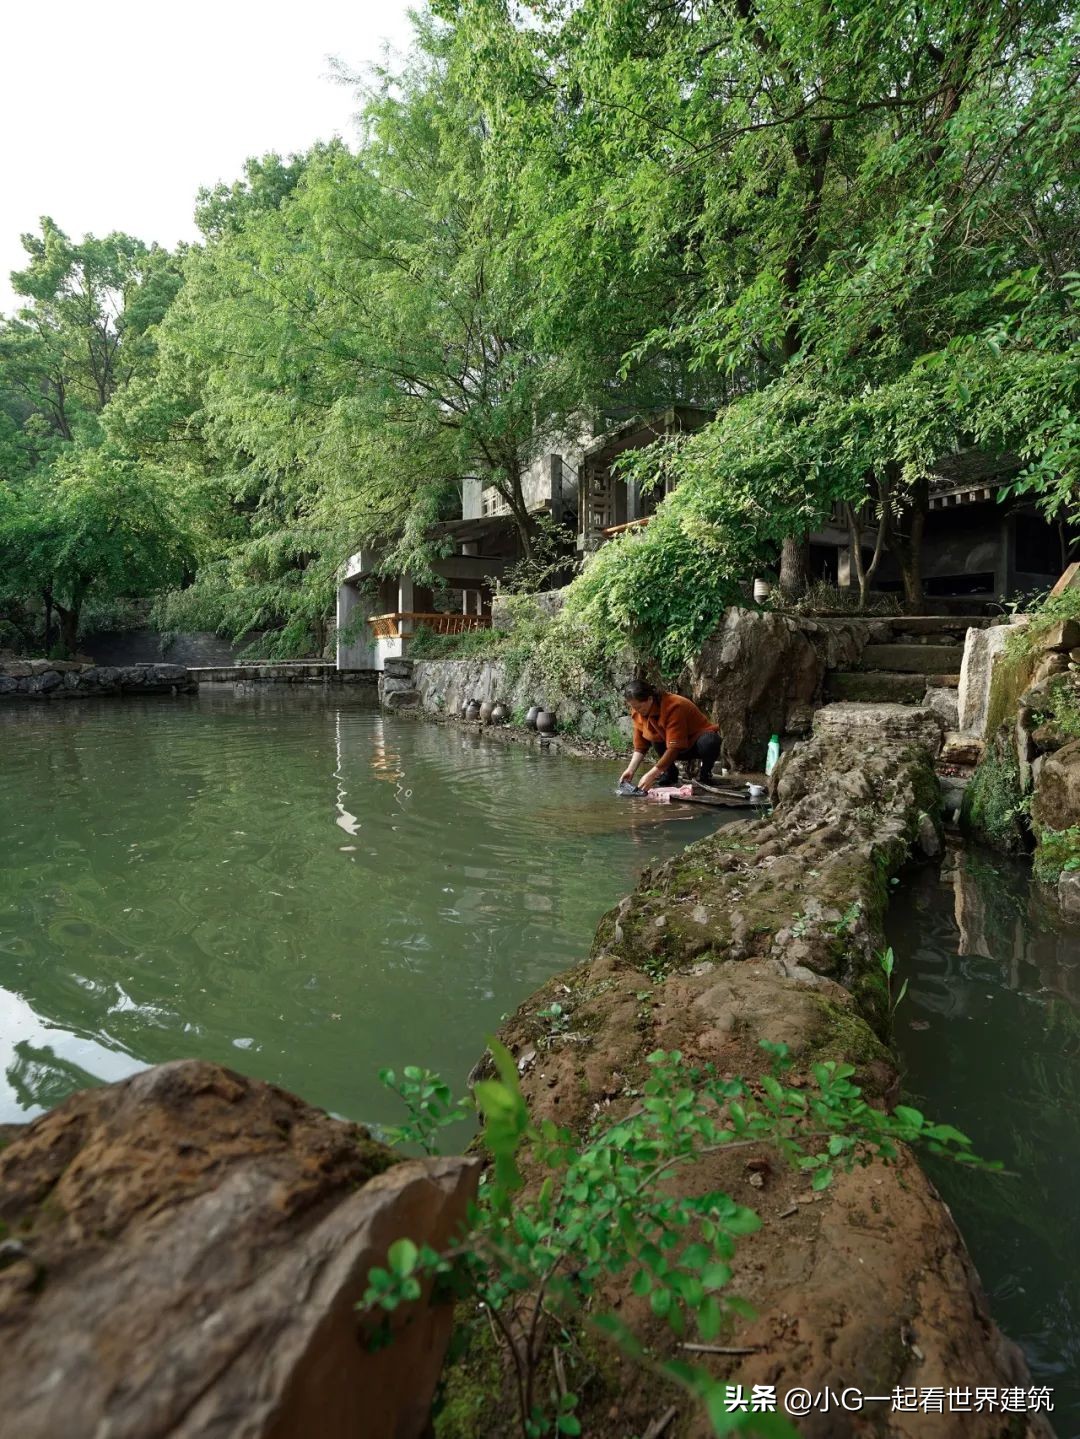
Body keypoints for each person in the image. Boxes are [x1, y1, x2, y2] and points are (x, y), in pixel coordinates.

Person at [619, 679, 722, 790]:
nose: (636, 711)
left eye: (639, 707)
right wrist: (630, 770)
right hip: (669, 744)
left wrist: (652, 774)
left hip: (694, 744)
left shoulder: (674, 706)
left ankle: (704, 775)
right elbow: (640, 746)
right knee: (653, 735)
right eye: (633, 707)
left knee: (710, 741)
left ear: (649, 699)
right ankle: (670, 773)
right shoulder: (637, 711)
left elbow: (675, 747)